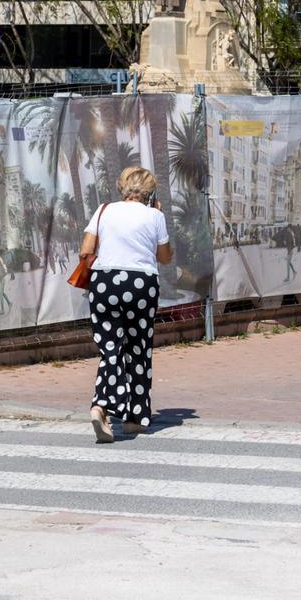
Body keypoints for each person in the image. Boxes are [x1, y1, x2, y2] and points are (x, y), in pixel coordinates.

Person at [78, 167, 174, 444]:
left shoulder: (104, 210)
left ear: (122, 188)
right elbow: (164, 257)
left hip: (106, 281)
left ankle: (101, 406)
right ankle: (135, 418)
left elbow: (86, 251)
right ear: (149, 192)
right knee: (139, 348)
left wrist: (106, 270)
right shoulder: (155, 215)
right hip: (141, 283)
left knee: (110, 349)